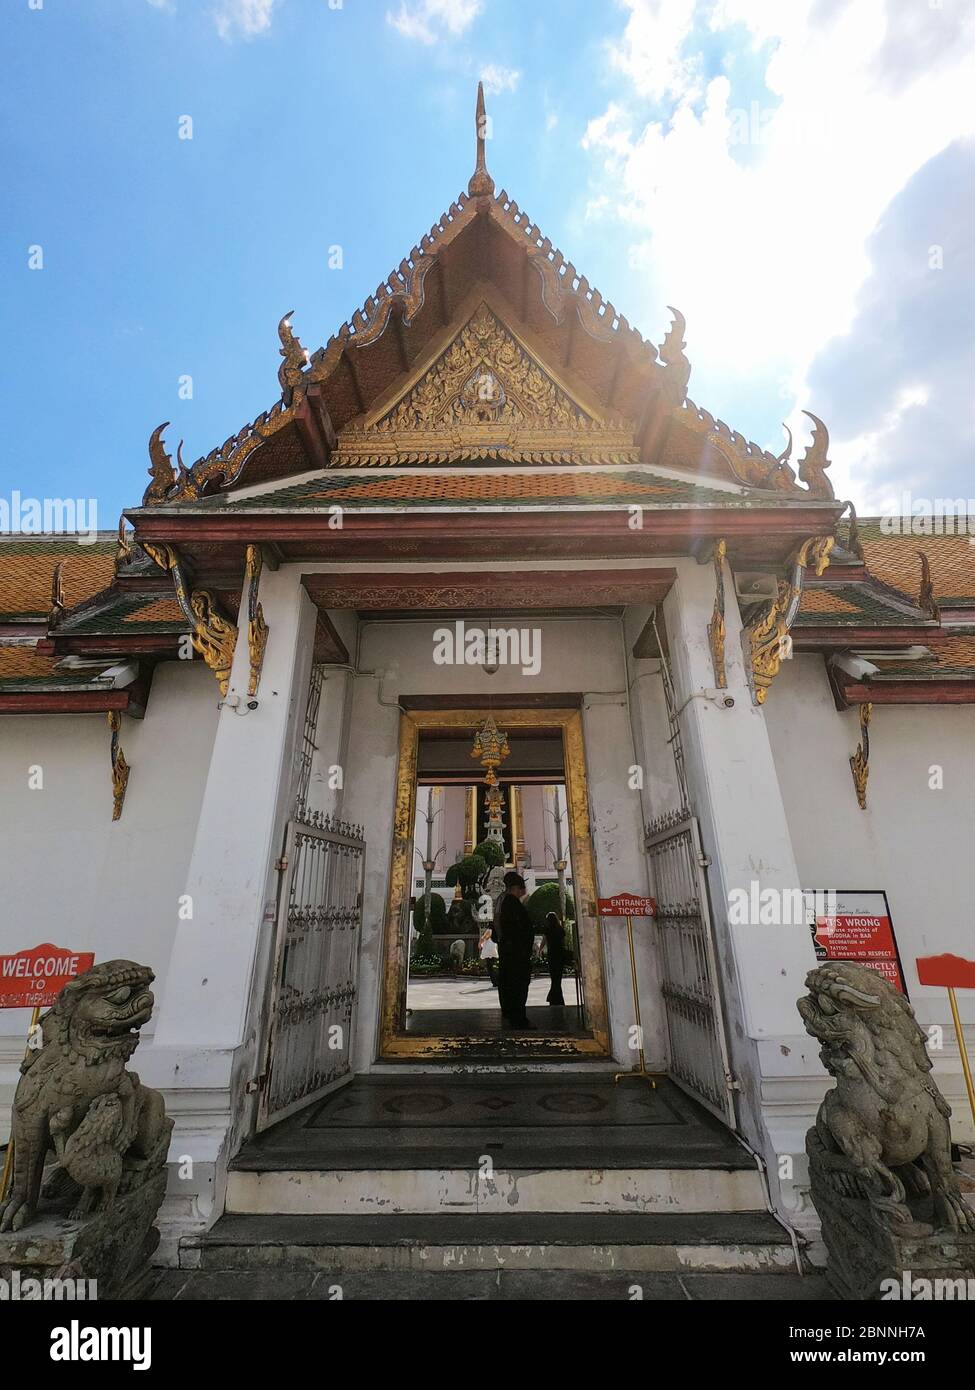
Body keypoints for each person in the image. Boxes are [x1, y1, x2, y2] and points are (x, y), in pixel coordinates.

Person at [497, 871, 535, 1029]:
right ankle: (518, 1018)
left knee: (510, 984)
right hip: (517, 954)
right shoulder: (512, 904)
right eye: (522, 887)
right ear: (516, 888)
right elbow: (519, 930)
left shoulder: (506, 903)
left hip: (510, 952)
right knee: (517, 986)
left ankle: (512, 1013)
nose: (524, 891)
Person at [543, 911, 567, 1006]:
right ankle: (557, 997)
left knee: (554, 977)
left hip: (552, 954)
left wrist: (540, 950)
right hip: (560, 954)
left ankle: (554, 997)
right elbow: (563, 941)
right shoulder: (560, 929)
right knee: (558, 977)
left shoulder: (548, 929)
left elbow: (544, 941)